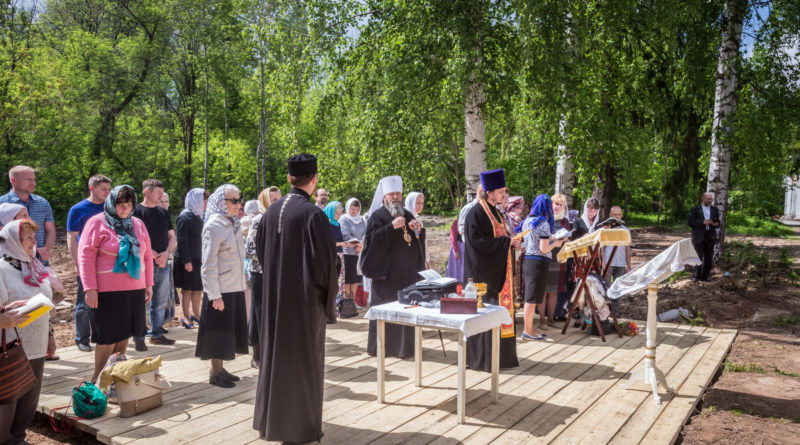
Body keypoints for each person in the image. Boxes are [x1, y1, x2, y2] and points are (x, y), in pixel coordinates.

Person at [253, 154, 337, 443]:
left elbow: (261, 255)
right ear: (313, 180)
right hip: (303, 304)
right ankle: (300, 429)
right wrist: (327, 303)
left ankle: (272, 423)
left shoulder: (270, 213)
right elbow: (326, 265)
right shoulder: (314, 214)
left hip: (275, 302)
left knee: (276, 359)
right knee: (303, 363)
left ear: (289, 178)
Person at [78, 185, 154, 383]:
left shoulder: (138, 224)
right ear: (112, 203)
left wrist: (149, 284)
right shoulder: (96, 223)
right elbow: (85, 256)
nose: (125, 209)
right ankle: (98, 378)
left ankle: (116, 376)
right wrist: (90, 288)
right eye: (120, 204)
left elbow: (146, 255)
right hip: (106, 291)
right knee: (107, 336)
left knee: (124, 333)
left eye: (129, 204)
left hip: (135, 288)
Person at [0, 219, 56, 444]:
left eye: (35, 236)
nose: (35, 241)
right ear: (14, 241)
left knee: (29, 402)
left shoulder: (33, 265)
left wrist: (50, 337)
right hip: (12, 347)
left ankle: (19, 438)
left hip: (37, 343)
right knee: (8, 403)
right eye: (29, 238)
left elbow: (46, 302)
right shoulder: (2, 269)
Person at [360, 176, 425, 359]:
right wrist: (390, 227)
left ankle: (405, 349)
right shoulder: (377, 216)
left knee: (406, 312)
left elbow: (419, 236)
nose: (395, 197)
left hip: (408, 275)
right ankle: (381, 348)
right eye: (391, 194)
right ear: (384, 196)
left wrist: (417, 229)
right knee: (386, 312)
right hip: (386, 276)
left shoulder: (407, 213)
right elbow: (371, 242)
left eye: (398, 193)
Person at [462, 169, 520, 370]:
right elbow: (477, 243)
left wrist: (510, 243)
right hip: (483, 276)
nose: (504, 194)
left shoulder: (495, 210)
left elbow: (498, 238)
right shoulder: (476, 213)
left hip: (499, 272)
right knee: (484, 317)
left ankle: (501, 358)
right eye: (501, 191)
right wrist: (506, 243)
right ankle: (484, 359)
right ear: (490, 192)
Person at [195, 184, 248, 388]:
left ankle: (221, 368)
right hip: (220, 289)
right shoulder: (214, 225)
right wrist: (214, 295)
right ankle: (215, 373)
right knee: (217, 333)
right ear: (220, 203)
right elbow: (208, 265)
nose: (238, 204)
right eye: (233, 201)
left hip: (234, 286)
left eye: (238, 199)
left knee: (228, 331)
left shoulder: (232, 223)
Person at [66, 174, 112, 352]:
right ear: (92, 188)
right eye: (104, 189)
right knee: (84, 303)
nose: (107, 193)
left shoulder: (111, 208)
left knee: (106, 302)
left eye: (109, 189)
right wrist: (79, 264)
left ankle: (101, 336)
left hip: (107, 264)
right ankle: (82, 339)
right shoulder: (78, 209)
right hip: (87, 263)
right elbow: (72, 238)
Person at [132, 179, 177, 350]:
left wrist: (166, 253)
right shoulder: (136, 211)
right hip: (142, 264)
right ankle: (139, 336)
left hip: (162, 262)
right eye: (158, 193)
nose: (161, 196)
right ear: (146, 192)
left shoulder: (162, 212)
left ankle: (156, 333)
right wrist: (150, 253)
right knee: (141, 300)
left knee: (160, 300)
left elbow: (172, 236)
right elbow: (133, 236)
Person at [520, 194, 566, 339]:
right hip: (539, 262)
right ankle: (528, 330)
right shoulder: (544, 223)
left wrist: (551, 237)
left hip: (528, 260)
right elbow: (544, 248)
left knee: (530, 297)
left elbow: (533, 238)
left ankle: (529, 328)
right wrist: (556, 244)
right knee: (531, 299)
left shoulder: (528, 220)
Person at [0, 166, 56, 265]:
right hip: (11, 265)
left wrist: (44, 252)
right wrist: (35, 252)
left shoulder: (42, 203)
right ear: (13, 180)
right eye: (28, 179)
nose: (33, 183)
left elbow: (50, 230)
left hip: (41, 263)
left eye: (34, 179)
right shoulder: (2, 204)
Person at [244, 188, 274, 368]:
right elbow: (249, 250)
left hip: (275, 273)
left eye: (279, 198)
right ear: (263, 201)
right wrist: (270, 258)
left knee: (270, 314)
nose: (276, 202)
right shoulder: (257, 220)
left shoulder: (279, 219)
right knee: (259, 314)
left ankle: (269, 353)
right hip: (260, 273)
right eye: (272, 199)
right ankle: (257, 355)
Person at [174, 188, 208, 329]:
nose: (206, 203)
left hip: (199, 258)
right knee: (187, 289)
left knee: (197, 289)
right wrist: (186, 261)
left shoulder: (201, 216)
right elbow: (182, 240)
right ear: (197, 200)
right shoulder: (184, 217)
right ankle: (185, 316)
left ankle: (196, 314)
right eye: (204, 200)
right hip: (187, 259)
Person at [548, 194, 575, 322]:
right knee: (543, 291)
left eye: (560, 204)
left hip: (559, 260)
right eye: (555, 204)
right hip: (546, 257)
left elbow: (569, 238)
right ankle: (542, 318)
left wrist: (566, 239)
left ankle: (551, 318)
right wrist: (553, 237)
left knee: (554, 291)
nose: (557, 207)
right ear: (551, 204)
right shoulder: (546, 218)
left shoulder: (565, 222)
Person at [688, 192, 719, 282]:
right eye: (707, 199)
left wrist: (715, 224)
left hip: (710, 235)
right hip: (699, 235)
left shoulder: (714, 209)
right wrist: (702, 222)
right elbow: (690, 222)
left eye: (710, 199)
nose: (709, 200)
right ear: (703, 198)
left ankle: (705, 276)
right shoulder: (695, 209)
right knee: (698, 256)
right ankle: (696, 276)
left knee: (709, 256)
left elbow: (718, 222)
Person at [339, 198, 366, 304]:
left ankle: (353, 302)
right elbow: (345, 235)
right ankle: (346, 303)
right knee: (348, 279)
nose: (354, 211)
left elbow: (366, 233)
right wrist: (358, 245)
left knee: (355, 279)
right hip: (348, 253)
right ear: (347, 208)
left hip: (359, 253)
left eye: (356, 209)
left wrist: (362, 245)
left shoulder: (362, 220)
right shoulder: (344, 219)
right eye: (352, 208)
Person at [405, 191, 430, 268]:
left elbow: (423, 240)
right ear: (411, 202)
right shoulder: (405, 218)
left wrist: (426, 259)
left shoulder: (417, 217)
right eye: (418, 203)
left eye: (422, 203)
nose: (420, 206)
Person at [446, 218, 464, 283]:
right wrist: (456, 250)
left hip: (467, 249)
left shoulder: (472, 221)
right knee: (456, 268)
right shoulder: (457, 222)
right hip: (459, 248)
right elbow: (453, 237)